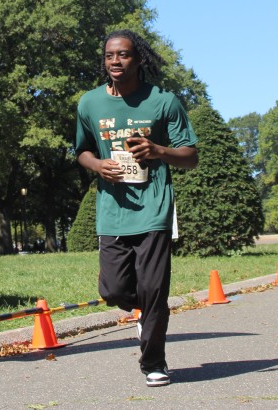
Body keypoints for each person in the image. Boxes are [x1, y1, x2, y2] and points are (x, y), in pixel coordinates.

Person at [75, 29, 198, 387]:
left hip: (154, 208)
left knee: (154, 289)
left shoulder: (163, 101)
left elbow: (191, 156)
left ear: (139, 59)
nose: (115, 61)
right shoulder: (89, 103)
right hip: (113, 210)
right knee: (113, 291)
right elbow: (81, 150)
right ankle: (146, 310)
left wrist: (158, 150)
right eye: (110, 55)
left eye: (123, 54)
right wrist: (97, 165)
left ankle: (154, 362)